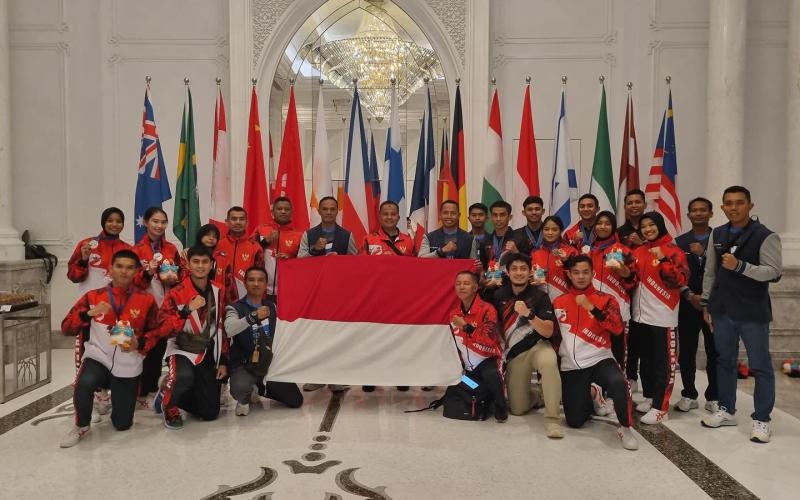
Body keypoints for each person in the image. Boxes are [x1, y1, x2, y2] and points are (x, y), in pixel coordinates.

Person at [701, 186, 782, 444]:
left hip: (752, 313)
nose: (733, 207)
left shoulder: (766, 236)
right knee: (725, 361)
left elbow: (774, 272)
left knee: (760, 366)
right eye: (728, 203)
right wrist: (706, 303)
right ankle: (727, 410)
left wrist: (741, 266)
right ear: (722, 207)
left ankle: (762, 420)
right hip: (722, 310)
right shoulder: (718, 233)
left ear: (750, 205)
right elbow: (710, 272)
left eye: (739, 203)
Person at [59, 250, 160, 447]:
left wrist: (139, 343)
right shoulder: (93, 296)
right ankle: (81, 425)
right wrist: (89, 314)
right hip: (98, 357)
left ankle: (118, 403)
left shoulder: (146, 300)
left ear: (137, 271)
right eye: (119, 266)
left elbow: (157, 332)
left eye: (130, 268)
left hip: (127, 363)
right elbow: (65, 328)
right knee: (84, 382)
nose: (124, 272)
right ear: (110, 269)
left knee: (122, 424)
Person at [554, 255, 638, 451]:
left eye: (585, 272)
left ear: (593, 273)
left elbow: (617, 329)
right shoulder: (559, 301)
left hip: (600, 359)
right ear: (569, 275)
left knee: (619, 383)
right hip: (572, 366)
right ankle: (594, 392)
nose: (581, 277)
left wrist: (593, 309)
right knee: (574, 421)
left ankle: (625, 428)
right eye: (576, 273)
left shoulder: (606, 299)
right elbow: (555, 337)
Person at [66, 207, 131, 420]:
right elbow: (73, 275)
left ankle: (109, 392)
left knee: (116, 351)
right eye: (110, 220)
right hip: (91, 310)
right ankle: (93, 394)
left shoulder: (126, 248)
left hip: (117, 312)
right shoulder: (87, 245)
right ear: (103, 222)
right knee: (88, 353)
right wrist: (84, 259)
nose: (114, 224)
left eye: (118, 221)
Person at [154, 246, 228, 430]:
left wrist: (223, 359)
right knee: (184, 376)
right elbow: (163, 329)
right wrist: (186, 311)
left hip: (205, 349)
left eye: (205, 262)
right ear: (188, 264)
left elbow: (222, 325)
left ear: (211, 265)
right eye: (196, 262)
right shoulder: (176, 292)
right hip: (181, 347)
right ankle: (169, 405)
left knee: (210, 413)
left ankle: (168, 389)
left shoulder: (219, 290)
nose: (201, 266)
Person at [488, 253, 562, 438]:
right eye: (514, 269)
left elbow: (548, 331)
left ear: (530, 272)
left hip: (538, 346)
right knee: (517, 409)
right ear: (507, 272)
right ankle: (538, 394)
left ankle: (553, 420)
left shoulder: (540, 296)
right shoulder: (498, 295)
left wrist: (529, 314)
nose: (519, 273)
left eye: (523, 269)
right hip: (515, 354)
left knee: (549, 362)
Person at [629, 212, 688, 425]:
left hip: (663, 317)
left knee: (664, 363)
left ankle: (661, 407)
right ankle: (650, 397)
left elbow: (679, 280)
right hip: (640, 316)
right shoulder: (639, 250)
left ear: (660, 226)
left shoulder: (673, 250)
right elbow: (633, 280)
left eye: (651, 225)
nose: (647, 229)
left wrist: (663, 258)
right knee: (647, 360)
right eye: (643, 226)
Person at [224, 266, 303, 415]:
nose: (256, 284)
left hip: (269, 365)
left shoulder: (272, 306)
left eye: (260, 280)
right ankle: (246, 392)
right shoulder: (234, 308)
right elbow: (229, 329)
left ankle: (258, 388)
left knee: (295, 400)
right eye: (251, 280)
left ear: (266, 284)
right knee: (240, 388)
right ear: (245, 283)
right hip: (245, 365)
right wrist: (252, 317)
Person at [298, 196, 356, 392]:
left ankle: (336, 377)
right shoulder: (309, 234)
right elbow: (299, 262)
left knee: (337, 336)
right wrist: (315, 250)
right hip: (316, 294)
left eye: (332, 209)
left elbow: (355, 264)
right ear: (319, 211)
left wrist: (341, 263)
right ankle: (316, 376)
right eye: (325, 209)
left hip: (338, 295)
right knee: (316, 335)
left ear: (337, 211)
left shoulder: (347, 235)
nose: (329, 212)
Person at [361, 200, 415, 392]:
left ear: (399, 217)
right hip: (375, 299)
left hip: (401, 299)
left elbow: (417, 270)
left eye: (393, 214)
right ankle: (371, 376)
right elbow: (360, 269)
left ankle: (400, 375)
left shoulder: (409, 241)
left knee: (400, 337)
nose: (389, 217)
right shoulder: (369, 240)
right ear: (379, 216)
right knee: (373, 337)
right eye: (386, 214)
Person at [132, 207, 182, 407]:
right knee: (145, 350)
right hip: (145, 309)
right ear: (145, 222)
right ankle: (139, 391)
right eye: (155, 221)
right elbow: (134, 283)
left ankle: (151, 388)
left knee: (160, 349)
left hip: (166, 307)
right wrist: (148, 272)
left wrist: (174, 277)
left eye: (163, 222)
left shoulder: (171, 249)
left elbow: (181, 278)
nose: (159, 226)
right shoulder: (136, 250)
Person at [674, 197, 718, 414]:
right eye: (694, 210)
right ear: (688, 215)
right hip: (688, 304)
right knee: (687, 352)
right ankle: (689, 393)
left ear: (711, 213)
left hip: (715, 306)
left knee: (715, 351)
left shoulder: (720, 239)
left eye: (703, 210)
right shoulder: (679, 242)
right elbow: (674, 274)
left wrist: (705, 253)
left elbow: (726, 270)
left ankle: (714, 396)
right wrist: (689, 294)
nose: (698, 213)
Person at [450, 271, 508, 423]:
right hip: (468, 368)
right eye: (458, 283)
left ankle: (500, 407)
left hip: (489, 361)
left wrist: (466, 327)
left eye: (466, 283)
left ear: (475, 287)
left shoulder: (488, 309)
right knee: (459, 382)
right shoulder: (454, 313)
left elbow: (489, 340)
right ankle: (483, 397)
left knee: (490, 376)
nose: (461, 287)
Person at [586, 211, 636, 370]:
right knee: (594, 348)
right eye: (599, 223)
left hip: (617, 310)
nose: (602, 226)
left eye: (607, 223)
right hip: (593, 309)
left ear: (613, 227)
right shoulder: (589, 251)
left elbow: (633, 281)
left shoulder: (622, 250)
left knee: (618, 352)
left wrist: (624, 272)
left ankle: (619, 388)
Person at [252, 196, 303, 303]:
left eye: (286, 209)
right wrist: (266, 242)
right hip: (261, 291)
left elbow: (303, 262)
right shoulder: (261, 229)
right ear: (273, 211)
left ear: (291, 212)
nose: (283, 211)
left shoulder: (299, 235)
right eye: (279, 209)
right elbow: (249, 252)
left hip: (287, 292)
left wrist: (290, 260)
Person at [215, 206, 265, 303]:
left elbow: (260, 278)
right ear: (226, 222)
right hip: (220, 299)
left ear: (246, 223)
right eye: (234, 219)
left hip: (246, 300)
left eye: (241, 219)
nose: (238, 222)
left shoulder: (255, 247)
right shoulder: (217, 244)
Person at [530, 216, 578, 302]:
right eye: (546, 229)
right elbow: (530, 278)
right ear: (542, 231)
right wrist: (531, 278)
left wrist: (567, 261)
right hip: (541, 302)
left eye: (554, 230)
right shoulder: (535, 254)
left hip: (565, 300)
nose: (550, 233)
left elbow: (578, 277)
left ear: (560, 231)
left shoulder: (571, 251)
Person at [468, 202, 490, 267]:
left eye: (481, 215)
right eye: (474, 215)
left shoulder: (493, 239)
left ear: (486, 218)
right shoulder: (463, 239)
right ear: (469, 218)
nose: (477, 218)